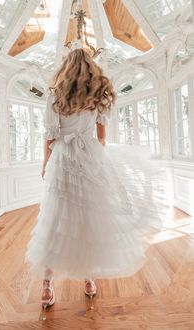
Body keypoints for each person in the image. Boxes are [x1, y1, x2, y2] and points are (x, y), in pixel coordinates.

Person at [24, 48, 171, 313]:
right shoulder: (99, 94)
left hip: (63, 159)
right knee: (90, 217)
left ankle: (47, 286)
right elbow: (101, 138)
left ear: (66, 68)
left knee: (56, 219)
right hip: (89, 156)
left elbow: (49, 136)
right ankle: (89, 278)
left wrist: (46, 163)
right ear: (91, 68)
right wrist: (94, 157)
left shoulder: (55, 95)